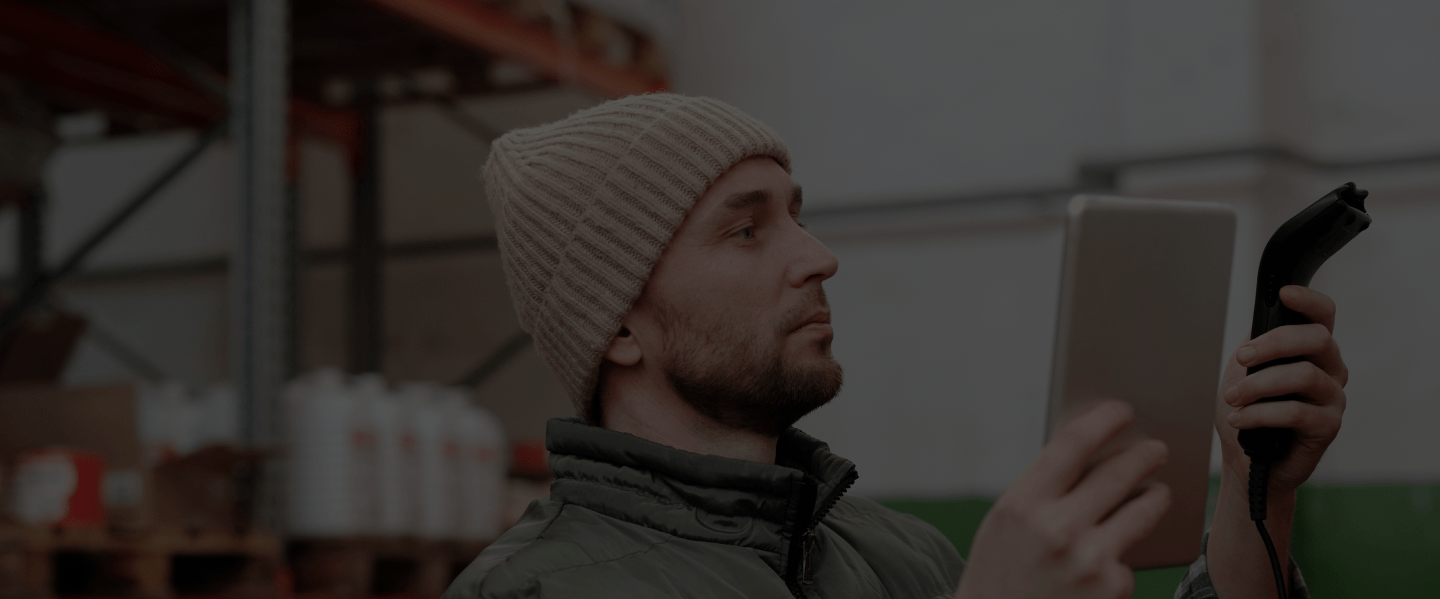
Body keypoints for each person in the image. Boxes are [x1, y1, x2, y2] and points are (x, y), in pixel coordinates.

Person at [443, 94, 1348, 599]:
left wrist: (1255, 498)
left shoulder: (900, 555)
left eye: (798, 215)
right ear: (620, 328)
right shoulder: (535, 593)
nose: (820, 256)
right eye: (746, 231)